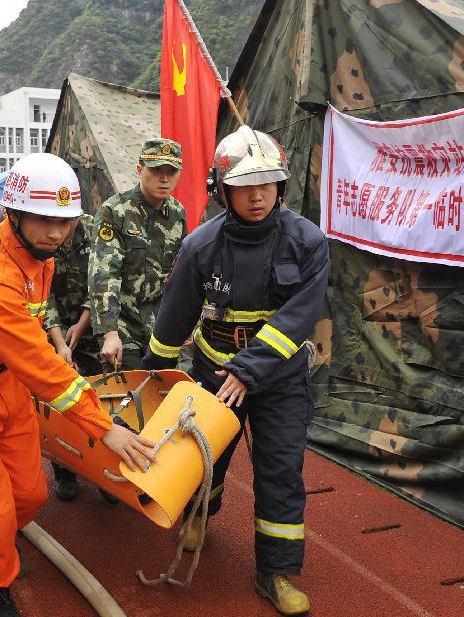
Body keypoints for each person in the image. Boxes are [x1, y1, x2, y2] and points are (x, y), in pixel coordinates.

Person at [0, 153, 154, 617]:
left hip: (5, 386)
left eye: (65, 222)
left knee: (30, 494)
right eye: (46, 220)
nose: (57, 233)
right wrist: (105, 427)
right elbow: (42, 369)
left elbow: (32, 344)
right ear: (14, 213)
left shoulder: (34, 254)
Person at [142, 126, 329, 616]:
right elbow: (175, 314)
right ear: (223, 190)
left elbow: (298, 318)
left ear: (281, 187)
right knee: (205, 457)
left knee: (280, 470)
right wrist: (152, 376)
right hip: (212, 367)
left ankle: (276, 572)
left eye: (267, 182)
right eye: (245, 184)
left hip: (280, 376)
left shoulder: (308, 242)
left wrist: (248, 371)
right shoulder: (202, 245)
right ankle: (201, 515)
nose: (258, 194)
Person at [87, 138, 186, 372]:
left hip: (162, 328)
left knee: (170, 397)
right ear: (140, 169)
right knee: (131, 398)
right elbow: (103, 275)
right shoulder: (115, 211)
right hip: (123, 326)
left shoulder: (177, 214)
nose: (164, 178)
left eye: (171, 171)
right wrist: (109, 333)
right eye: (156, 170)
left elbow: (182, 273)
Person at [44, 210, 100, 502]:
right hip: (53, 329)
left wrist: (82, 325)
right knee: (59, 401)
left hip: (92, 326)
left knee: (100, 396)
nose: (63, 228)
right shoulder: (42, 233)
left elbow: (102, 279)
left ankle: (104, 470)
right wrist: (59, 343)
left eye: (70, 220)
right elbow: (44, 295)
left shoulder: (93, 228)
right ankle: (64, 470)